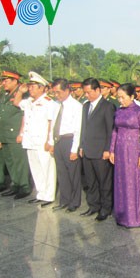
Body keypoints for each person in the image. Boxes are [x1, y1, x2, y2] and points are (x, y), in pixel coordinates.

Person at [14, 72, 59, 207]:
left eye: (33, 86)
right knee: (35, 168)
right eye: (30, 86)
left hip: (42, 141)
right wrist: (20, 91)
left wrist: (50, 141)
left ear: (42, 88)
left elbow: (52, 123)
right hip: (30, 140)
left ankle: (49, 195)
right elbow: (16, 102)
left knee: (47, 168)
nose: (30, 89)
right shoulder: (28, 101)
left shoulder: (49, 103)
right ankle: (40, 193)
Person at [109, 83, 140, 228]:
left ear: (132, 96)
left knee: (133, 182)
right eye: (118, 97)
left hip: (134, 151)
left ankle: (135, 218)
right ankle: (122, 215)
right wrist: (112, 150)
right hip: (120, 150)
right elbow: (115, 131)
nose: (120, 100)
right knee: (121, 181)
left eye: (123, 97)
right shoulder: (119, 111)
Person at [79, 78, 116, 221]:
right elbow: (84, 127)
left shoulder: (108, 106)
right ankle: (93, 206)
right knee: (91, 181)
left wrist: (108, 149)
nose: (86, 95)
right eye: (85, 92)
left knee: (104, 182)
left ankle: (106, 208)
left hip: (101, 152)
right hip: (87, 150)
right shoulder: (85, 106)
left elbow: (110, 130)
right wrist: (81, 145)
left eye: (88, 92)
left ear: (97, 90)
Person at [0, 70, 31, 199]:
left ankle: (24, 186)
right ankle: (15, 184)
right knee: (10, 161)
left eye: (6, 80)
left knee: (19, 161)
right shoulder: (4, 95)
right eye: (3, 80)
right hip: (4, 133)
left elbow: (24, 114)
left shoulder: (22, 94)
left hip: (15, 133)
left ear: (15, 81)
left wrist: (21, 132)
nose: (4, 82)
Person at [51, 78, 83, 212]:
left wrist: (74, 149)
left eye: (58, 92)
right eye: (54, 92)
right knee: (61, 172)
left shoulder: (76, 106)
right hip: (58, 141)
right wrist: (51, 142)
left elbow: (78, 129)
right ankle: (64, 200)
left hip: (69, 141)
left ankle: (74, 202)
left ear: (67, 90)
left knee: (73, 174)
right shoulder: (55, 104)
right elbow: (53, 124)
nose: (56, 95)